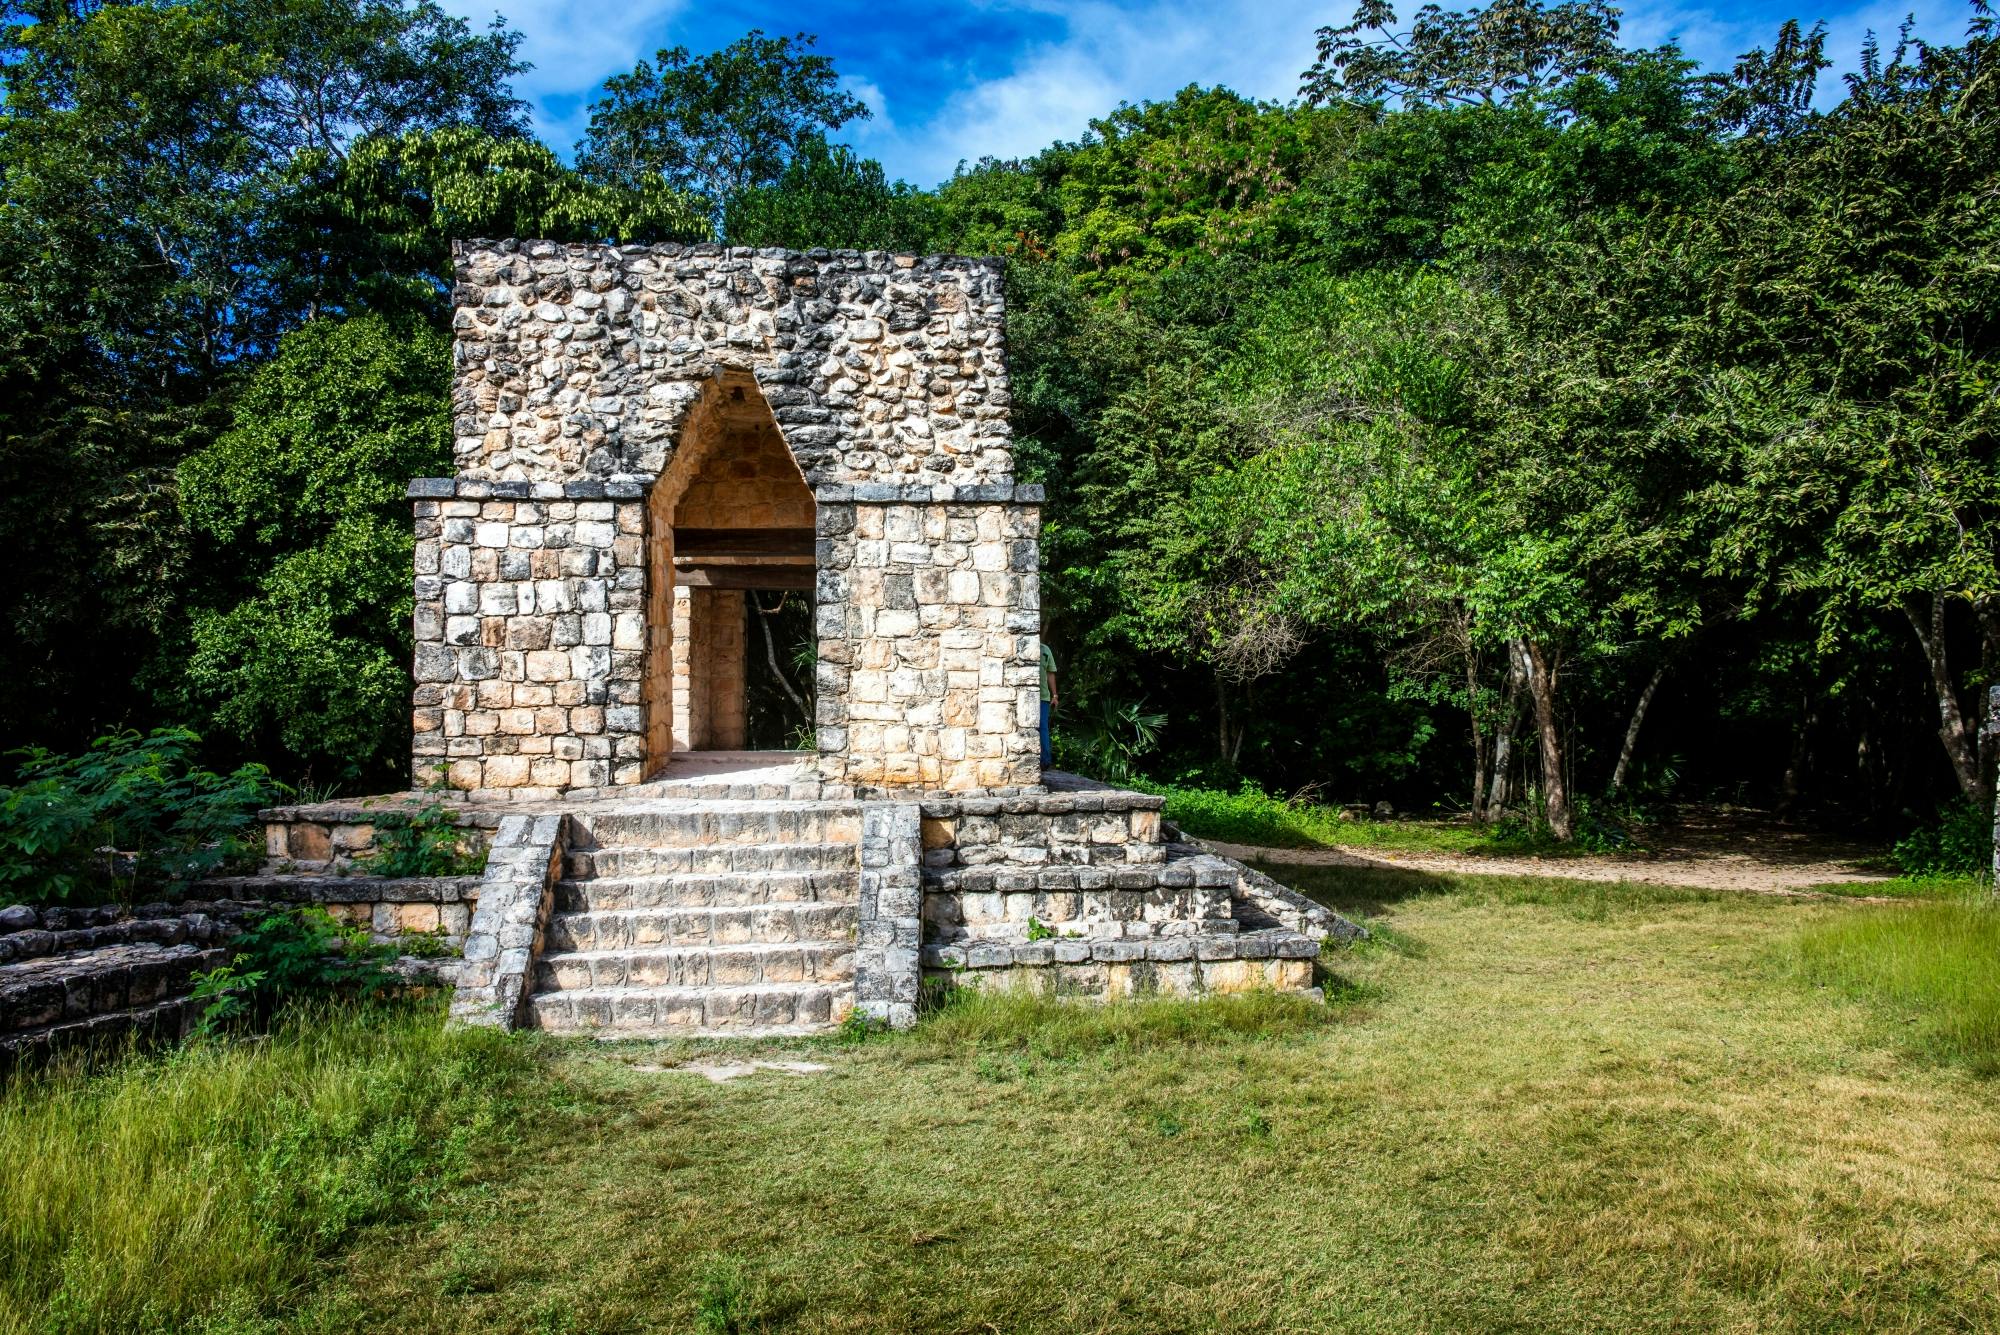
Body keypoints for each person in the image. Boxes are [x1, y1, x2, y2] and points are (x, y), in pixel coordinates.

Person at [1039, 638, 1058, 771]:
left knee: (1043, 728)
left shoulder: (1045, 650)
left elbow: (1050, 673)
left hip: (1043, 697)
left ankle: (1045, 761)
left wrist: (1055, 695)